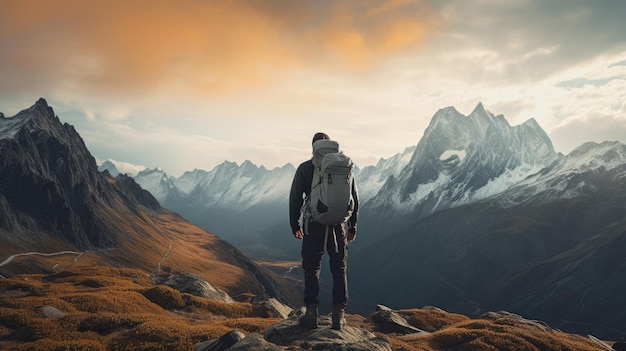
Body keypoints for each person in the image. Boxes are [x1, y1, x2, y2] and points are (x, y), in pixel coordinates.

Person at [289, 132, 359, 330]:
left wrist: (295, 224)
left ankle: (311, 314)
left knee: (312, 268)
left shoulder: (305, 168)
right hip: (338, 225)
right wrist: (353, 226)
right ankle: (338, 317)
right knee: (339, 268)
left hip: (313, 224)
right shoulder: (343, 167)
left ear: (313, 147)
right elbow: (354, 197)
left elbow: (295, 197)